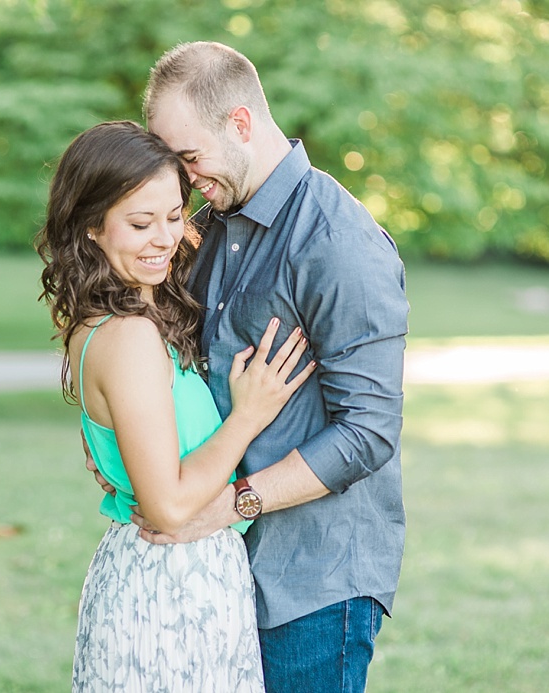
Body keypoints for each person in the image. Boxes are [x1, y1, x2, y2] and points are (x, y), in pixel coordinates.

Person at [89, 42, 410, 692]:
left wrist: (231, 503)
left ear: (240, 124)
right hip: (216, 571)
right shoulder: (205, 229)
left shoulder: (338, 244)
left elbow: (370, 431)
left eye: (188, 157)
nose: (181, 178)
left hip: (313, 581)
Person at [36, 120, 317, 691]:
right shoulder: (129, 336)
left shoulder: (117, 323)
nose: (164, 238)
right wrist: (248, 416)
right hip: (167, 589)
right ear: (92, 228)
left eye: (173, 215)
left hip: (185, 581)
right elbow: (166, 508)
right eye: (140, 223)